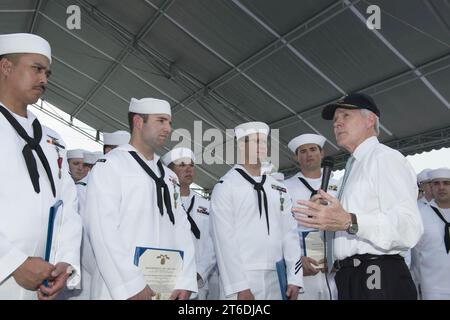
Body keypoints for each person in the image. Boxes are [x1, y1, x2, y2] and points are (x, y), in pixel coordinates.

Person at [293, 93, 423, 299]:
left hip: (377, 274)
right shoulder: (353, 167)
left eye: (345, 116)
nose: (337, 124)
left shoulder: (385, 159)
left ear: (370, 120)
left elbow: (408, 227)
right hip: (350, 275)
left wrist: (349, 221)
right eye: (335, 120)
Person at [84, 97, 197, 300]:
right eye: (161, 121)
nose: (168, 128)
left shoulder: (169, 176)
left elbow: (182, 228)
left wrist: (185, 279)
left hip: (165, 287)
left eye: (169, 122)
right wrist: (131, 286)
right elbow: (102, 231)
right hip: (122, 290)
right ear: (138, 122)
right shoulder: (110, 166)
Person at [0, 33, 82, 299]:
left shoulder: (52, 139)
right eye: (36, 69)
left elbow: (68, 204)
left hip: (43, 281)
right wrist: (13, 262)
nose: (44, 80)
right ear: (6, 67)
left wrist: (65, 262)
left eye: (47, 72)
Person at [210, 121, 303, 300]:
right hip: (241, 278)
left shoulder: (279, 188)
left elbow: (290, 233)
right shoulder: (225, 186)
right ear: (240, 145)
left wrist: (294, 277)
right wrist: (239, 287)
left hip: (277, 277)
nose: (261, 146)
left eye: (264, 141)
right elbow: (223, 241)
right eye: (254, 141)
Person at [284, 133, 338, 300]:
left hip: (334, 269)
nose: (309, 154)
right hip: (304, 269)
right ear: (296, 157)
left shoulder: (338, 184)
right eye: (303, 151)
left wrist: (338, 255)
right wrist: (297, 259)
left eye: (313, 149)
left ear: (321, 153)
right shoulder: (285, 187)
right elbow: (283, 229)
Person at [162, 147, 218, 300]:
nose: (188, 169)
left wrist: (200, 272)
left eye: (191, 165)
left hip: (198, 282)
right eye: (181, 165)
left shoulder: (207, 205)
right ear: (170, 171)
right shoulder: (160, 203)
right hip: (166, 279)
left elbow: (214, 241)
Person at [411, 168, 450, 300]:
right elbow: (414, 256)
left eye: (446, 183)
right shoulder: (419, 215)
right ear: (431, 188)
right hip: (434, 290)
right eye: (436, 183)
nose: (441, 187)